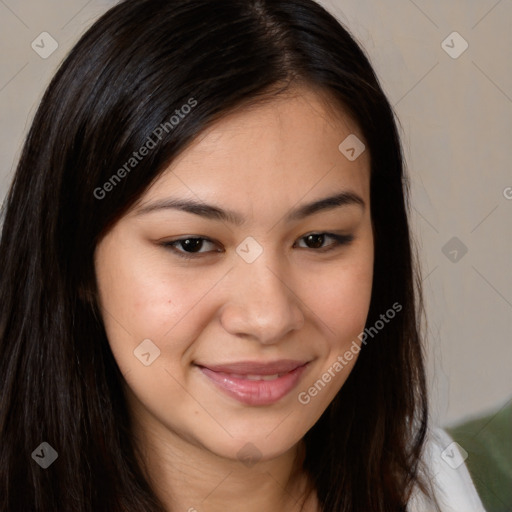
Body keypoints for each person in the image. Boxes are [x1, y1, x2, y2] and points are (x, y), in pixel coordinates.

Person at [0, 0, 486, 510]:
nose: (268, 318)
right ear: (77, 259)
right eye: (192, 244)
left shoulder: (428, 483)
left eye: (318, 239)